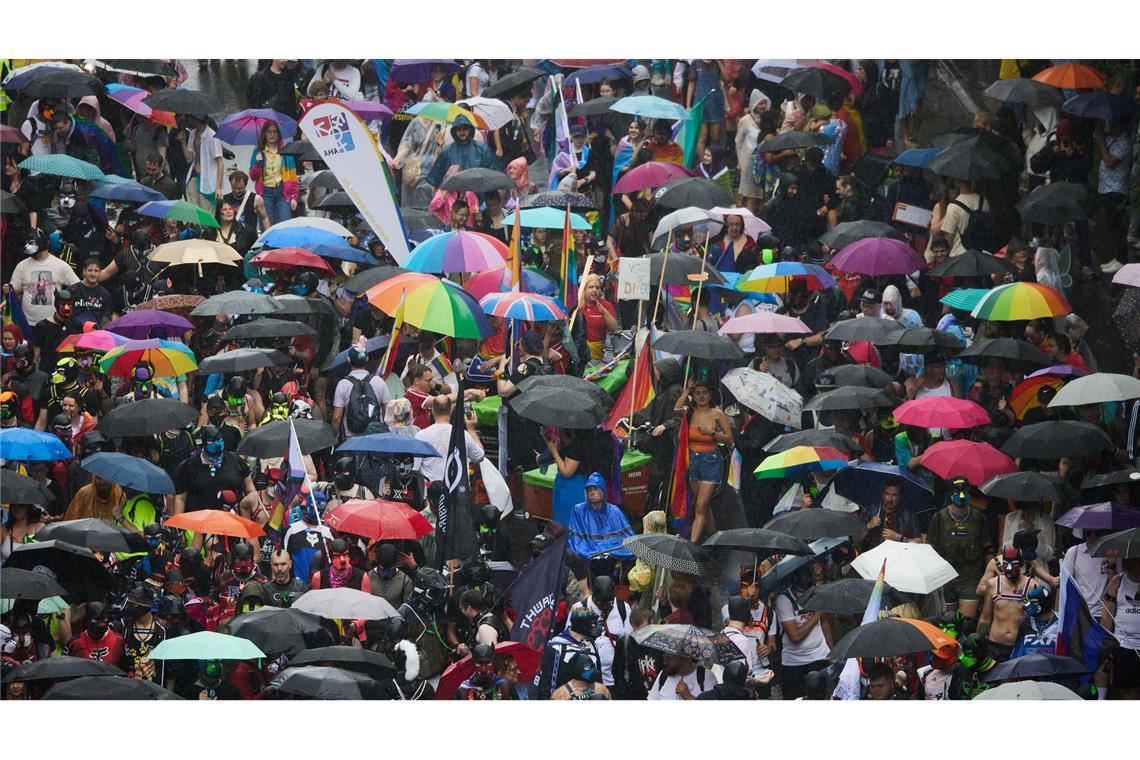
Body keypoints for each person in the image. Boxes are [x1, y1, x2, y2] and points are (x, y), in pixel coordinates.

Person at [674, 378, 733, 542]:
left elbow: (729, 438)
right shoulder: (690, 412)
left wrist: (711, 433)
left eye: (704, 393)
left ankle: (692, 545)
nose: (701, 397)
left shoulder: (717, 414)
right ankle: (713, 538)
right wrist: (686, 390)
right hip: (693, 461)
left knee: (700, 506)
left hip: (711, 462)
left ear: (710, 395)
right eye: (697, 393)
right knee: (702, 505)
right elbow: (676, 408)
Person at [925, 477, 991, 619]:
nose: (961, 496)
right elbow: (930, 550)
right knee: (948, 620)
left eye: (964, 491)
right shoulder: (939, 518)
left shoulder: (978, 517)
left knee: (966, 622)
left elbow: (988, 549)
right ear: (950, 494)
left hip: (971, 576)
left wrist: (987, 578)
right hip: (946, 576)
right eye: (956, 492)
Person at [566, 473, 634, 593]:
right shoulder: (579, 511)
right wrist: (591, 552)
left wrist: (608, 550)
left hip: (612, 553)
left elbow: (627, 537)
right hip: (588, 553)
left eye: (595, 489)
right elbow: (575, 540)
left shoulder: (614, 511)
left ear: (603, 491)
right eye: (588, 490)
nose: (591, 493)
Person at [171, 425, 257, 518]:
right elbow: (180, 498)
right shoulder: (190, 465)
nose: (217, 444)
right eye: (211, 441)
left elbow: (250, 489)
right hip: (199, 522)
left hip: (231, 520)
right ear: (203, 442)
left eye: (220, 440)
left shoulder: (236, 461)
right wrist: (178, 526)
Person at [774, 567, 832, 700]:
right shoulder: (783, 600)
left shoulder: (816, 594)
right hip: (794, 663)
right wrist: (816, 616)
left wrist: (831, 651)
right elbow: (794, 636)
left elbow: (824, 623)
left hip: (819, 657)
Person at [979, 547, 1040, 663]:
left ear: (1021, 565)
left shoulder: (1032, 586)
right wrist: (978, 639)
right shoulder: (993, 584)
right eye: (1006, 564)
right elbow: (985, 617)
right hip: (994, 645)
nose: (1009, 568)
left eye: (1014, 564)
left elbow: (1038, 619)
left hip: (1019, 646)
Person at [10, 228, 81, 327]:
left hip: (53, 323)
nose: (28, 246)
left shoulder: (61, 265)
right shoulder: (22, 266)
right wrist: (5, 301)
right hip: (28, 324)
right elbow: (13, 290)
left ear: (41, 243)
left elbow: (78, 287)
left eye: (32, 243)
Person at [1100, 556, 1140, 700]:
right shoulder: (1117, 581)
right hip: (1123, 645)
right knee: (1128, 690)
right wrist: (1106, 645)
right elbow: (1107, 615)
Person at [424, 115, 500, 189]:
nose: (462, 132)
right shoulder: (447, 151)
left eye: (465, 129)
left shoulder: (482, 149)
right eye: (459, 129)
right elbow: (436, 177)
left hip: (477, 193)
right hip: (453, 195)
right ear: (455, 131)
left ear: (470, 130)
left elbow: (492, 173)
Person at [330, 347, 391, 438]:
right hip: (375, 436)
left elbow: (336, 418)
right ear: (367, 359)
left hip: (351, 439)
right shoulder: (379, 381)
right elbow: (388, 412)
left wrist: (334, 437)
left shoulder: (343, 384)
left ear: (349, 360)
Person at [248, 121, 298, 228]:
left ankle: (285, 245)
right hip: (265, 193)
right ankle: (268, 245)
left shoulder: (286, 150)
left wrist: (294, 197)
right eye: (269, 132)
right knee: (267, 227)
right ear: (264, 134)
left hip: (283, 192)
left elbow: (293, 176)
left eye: (274, 132)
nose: (271, 135)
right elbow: (252, 177)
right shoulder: (258, 151)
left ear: (278, 134)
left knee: (286, 225)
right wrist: (257, 163)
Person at [178, 114, 224, 213]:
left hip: (208, 179)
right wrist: (183, 142)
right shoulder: (192, 133)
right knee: (193, 210)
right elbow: (189, 159)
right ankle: (195, 228)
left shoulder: (212, 136)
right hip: (194, 175)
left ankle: (207, 229)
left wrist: (218, 187)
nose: (187, 120)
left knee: (207, 212)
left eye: (189, 117)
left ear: (197, 118)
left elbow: (220, 161)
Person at [862, 478, 922, 550]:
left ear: (901, 496)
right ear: (882, 494)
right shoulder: (873, 510)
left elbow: (919, 542)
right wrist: (868, 526)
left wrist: (900, 538)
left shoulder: (909, 515)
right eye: (887, 494)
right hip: (873, 554)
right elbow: (856, 538)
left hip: (899, 555)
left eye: (894, 495)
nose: (890, 499)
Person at [1012, 586, 1060, 658]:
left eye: (1033, 602)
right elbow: (1017, 652)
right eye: (1028, 602)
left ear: (1045, 603)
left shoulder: (1061, 622)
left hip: (1053, 667)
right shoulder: (1026, 622)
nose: (1027, 606)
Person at [647, 652, 715, 700]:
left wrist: (689, 697)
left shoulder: (706, 677)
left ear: (683, 658)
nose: (664, 663)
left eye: (668, 658)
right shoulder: (664, 675)